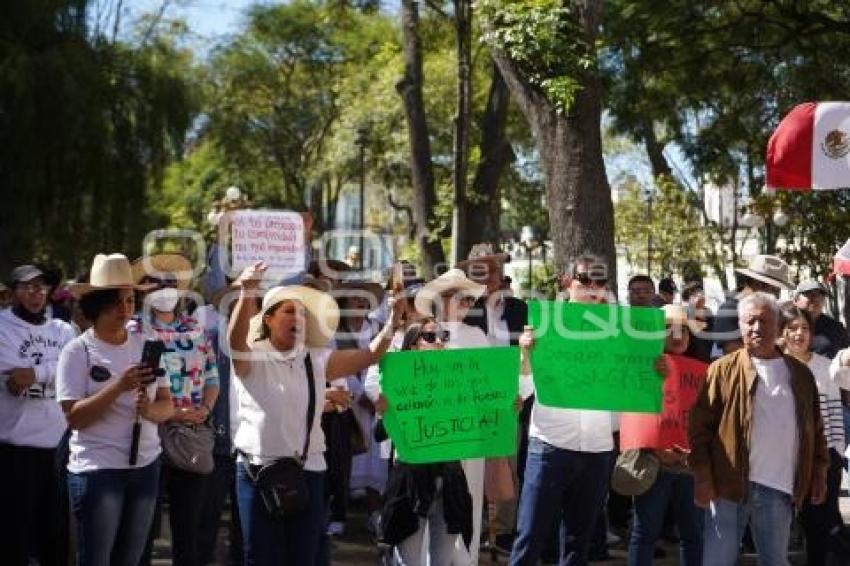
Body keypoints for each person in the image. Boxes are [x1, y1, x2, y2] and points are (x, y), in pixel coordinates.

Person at [227, 261, 402, 565]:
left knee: (304, 557)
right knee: (261, 557)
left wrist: (394, 321)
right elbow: (234, 341)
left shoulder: (317, 358)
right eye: (289, 311)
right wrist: (247, 292)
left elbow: (371, 354)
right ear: (268, 320)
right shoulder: (251, 356)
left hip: (307, 471)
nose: (299, 318)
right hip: (257, 472)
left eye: (303, 313)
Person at [688, 292, 828, 566]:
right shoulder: (721, 370)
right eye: (749, 321)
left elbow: (816, 429)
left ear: (776, 325)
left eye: (764, 321)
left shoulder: (800, 374)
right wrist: (703, 477)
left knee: (775, 561)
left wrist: (820, 472)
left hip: (778, 488)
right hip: (726, 487)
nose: (756, 328)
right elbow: (699, 429)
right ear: (740, 325)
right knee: (717, 561)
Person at [57, 253, 174, 566]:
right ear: (97, 305)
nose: (125, 310)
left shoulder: (146, 343)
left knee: (131, 559)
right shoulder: (77, 350)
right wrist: (118, 387)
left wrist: (149, 410)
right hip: (98, 470)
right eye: (117, 302)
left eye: (130, 301)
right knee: (95, 558)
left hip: (146, 465)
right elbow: (74, 418)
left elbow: (168, 405)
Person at [509, 255, 618, 566]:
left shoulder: (621, 333)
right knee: (530, 537)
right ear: (568, 282)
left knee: (578, 544)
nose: (593, 287)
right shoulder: (545, 325)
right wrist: (525, 354)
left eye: (600, 281)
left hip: (597, 449)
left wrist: (654, 371)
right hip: (549, 446)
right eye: (585, 279)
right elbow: (522, 391)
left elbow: (631, 387)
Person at [134, 253, 220, 566]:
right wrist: (176, 412)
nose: (165, 287)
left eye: (171, 281)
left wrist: (206, 409)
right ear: (143, 287)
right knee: (142, 528)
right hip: (147, 439)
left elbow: (212, 378)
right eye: (157, 281)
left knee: (189, 527)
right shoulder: (133, 330)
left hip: (191, 437)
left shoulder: (196, 330)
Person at [376, 317, 474, 565]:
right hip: (411, 482)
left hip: (449, 481)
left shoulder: (459, 382)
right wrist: (386, 410)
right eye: (430, 337)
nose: (439, 342)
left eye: (443, 336)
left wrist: (508, 407)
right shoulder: (399, 383)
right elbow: (379, 434)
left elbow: (478, 422)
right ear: (412, 346)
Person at [0, 264, 77, 566]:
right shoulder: (3, 326)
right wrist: (57, 370)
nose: (35, 294)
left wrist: (38, 372)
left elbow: (77, 372)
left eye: (41, 288)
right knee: (13, 536)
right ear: (14, 292)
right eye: (27, 287)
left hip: (58, 447)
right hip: (14, 448)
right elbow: (14, 380)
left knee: (56, 538)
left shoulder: (64, 329)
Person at [414, 268, 490, 565]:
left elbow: (490, 383)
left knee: (467, 494)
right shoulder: (417, 332)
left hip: (467, 433)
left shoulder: (477, 335)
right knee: (424, 499)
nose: (465, 302)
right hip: (427, 434)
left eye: (469, 297)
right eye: (457, 296)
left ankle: (464, 558)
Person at [458, 243, 528, 555]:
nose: (488, 277)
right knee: (469, 466)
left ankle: (502, 534)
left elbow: (529, 356)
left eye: (493, 271)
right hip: (468, 402)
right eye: (480, 271)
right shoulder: (460, 311)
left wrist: (522, 393)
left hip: (509, 400)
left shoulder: (518, 310)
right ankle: (469, 527)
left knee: (507, 466)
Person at [627, 305, 707, 566]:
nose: (677, 336)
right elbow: (632, 414)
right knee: (644, 533)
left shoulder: (704, 372)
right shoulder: (639, 367)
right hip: (653, 464)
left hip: (690, 467)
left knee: (693, 535)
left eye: (683, 330)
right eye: (668, 329)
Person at [781, 305, 850, 564]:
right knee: (781, 525)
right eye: (793, 328)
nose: (800, 334)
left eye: (805, 328)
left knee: (817, 525)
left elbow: (835, 412)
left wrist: (835, 452)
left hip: (823, 457)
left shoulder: (826, 367)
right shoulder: (774, 365)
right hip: (783, 458)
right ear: (781, 332)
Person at [711, 254, 793, 356]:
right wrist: (777, 344)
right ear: (759, 284)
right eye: (776, 290)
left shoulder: (773, 311)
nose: (776, 296)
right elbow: (732, 351)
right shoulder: (728, 310)